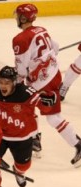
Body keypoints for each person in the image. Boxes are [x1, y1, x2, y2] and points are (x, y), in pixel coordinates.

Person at [12, 3, 81, 167]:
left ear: (22, 18)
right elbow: (55, 48)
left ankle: (78, 144)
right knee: (27, 106)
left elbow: (21, 68)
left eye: (17, 16)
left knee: (52, 117)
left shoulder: (20, 39)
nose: (15, 18)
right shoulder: (41, 29)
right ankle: (35, 138)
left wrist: (18, 84)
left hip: (43, 83)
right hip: (53, 75)